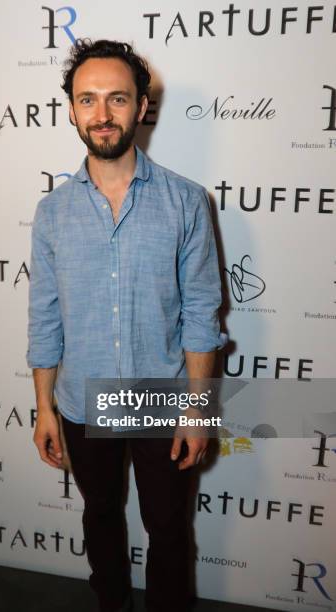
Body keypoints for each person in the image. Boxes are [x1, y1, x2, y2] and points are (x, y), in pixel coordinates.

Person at [27, 39, 226, 612]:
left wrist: (197, 409)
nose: (102, 114)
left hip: (158, 396)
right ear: (70, 109)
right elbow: (44, 316)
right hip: (81, 398)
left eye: (117, 98)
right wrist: (43, 406)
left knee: (168, 530)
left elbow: (200, 315)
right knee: (100, 516)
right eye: (87, 99)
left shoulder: (187, 202)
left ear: (142, 107)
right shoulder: (53, 212)